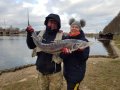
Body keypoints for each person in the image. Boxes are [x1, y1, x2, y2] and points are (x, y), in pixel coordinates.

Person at [26, 13, 64, 90]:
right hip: (41, 72)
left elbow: (65, 55)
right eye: (51, 21)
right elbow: (31, 46)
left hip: (55, 73)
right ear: (47, 22)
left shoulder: (62, 36)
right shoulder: (39, 33)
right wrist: (29, 33)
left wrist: (65, 52)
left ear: (58, 25)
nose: (52, 24)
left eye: (55, 22)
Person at [60, 18, 90, 90]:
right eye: (72, 27)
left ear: (80, 28)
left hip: (77, 74)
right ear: (70, 27)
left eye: (76, 27)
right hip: (67, 72)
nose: (74, 28)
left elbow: (85, 57)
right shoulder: (65, 39)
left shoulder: (84, 41)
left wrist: (80, 51)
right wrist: (65, 53)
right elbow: (61, 56)